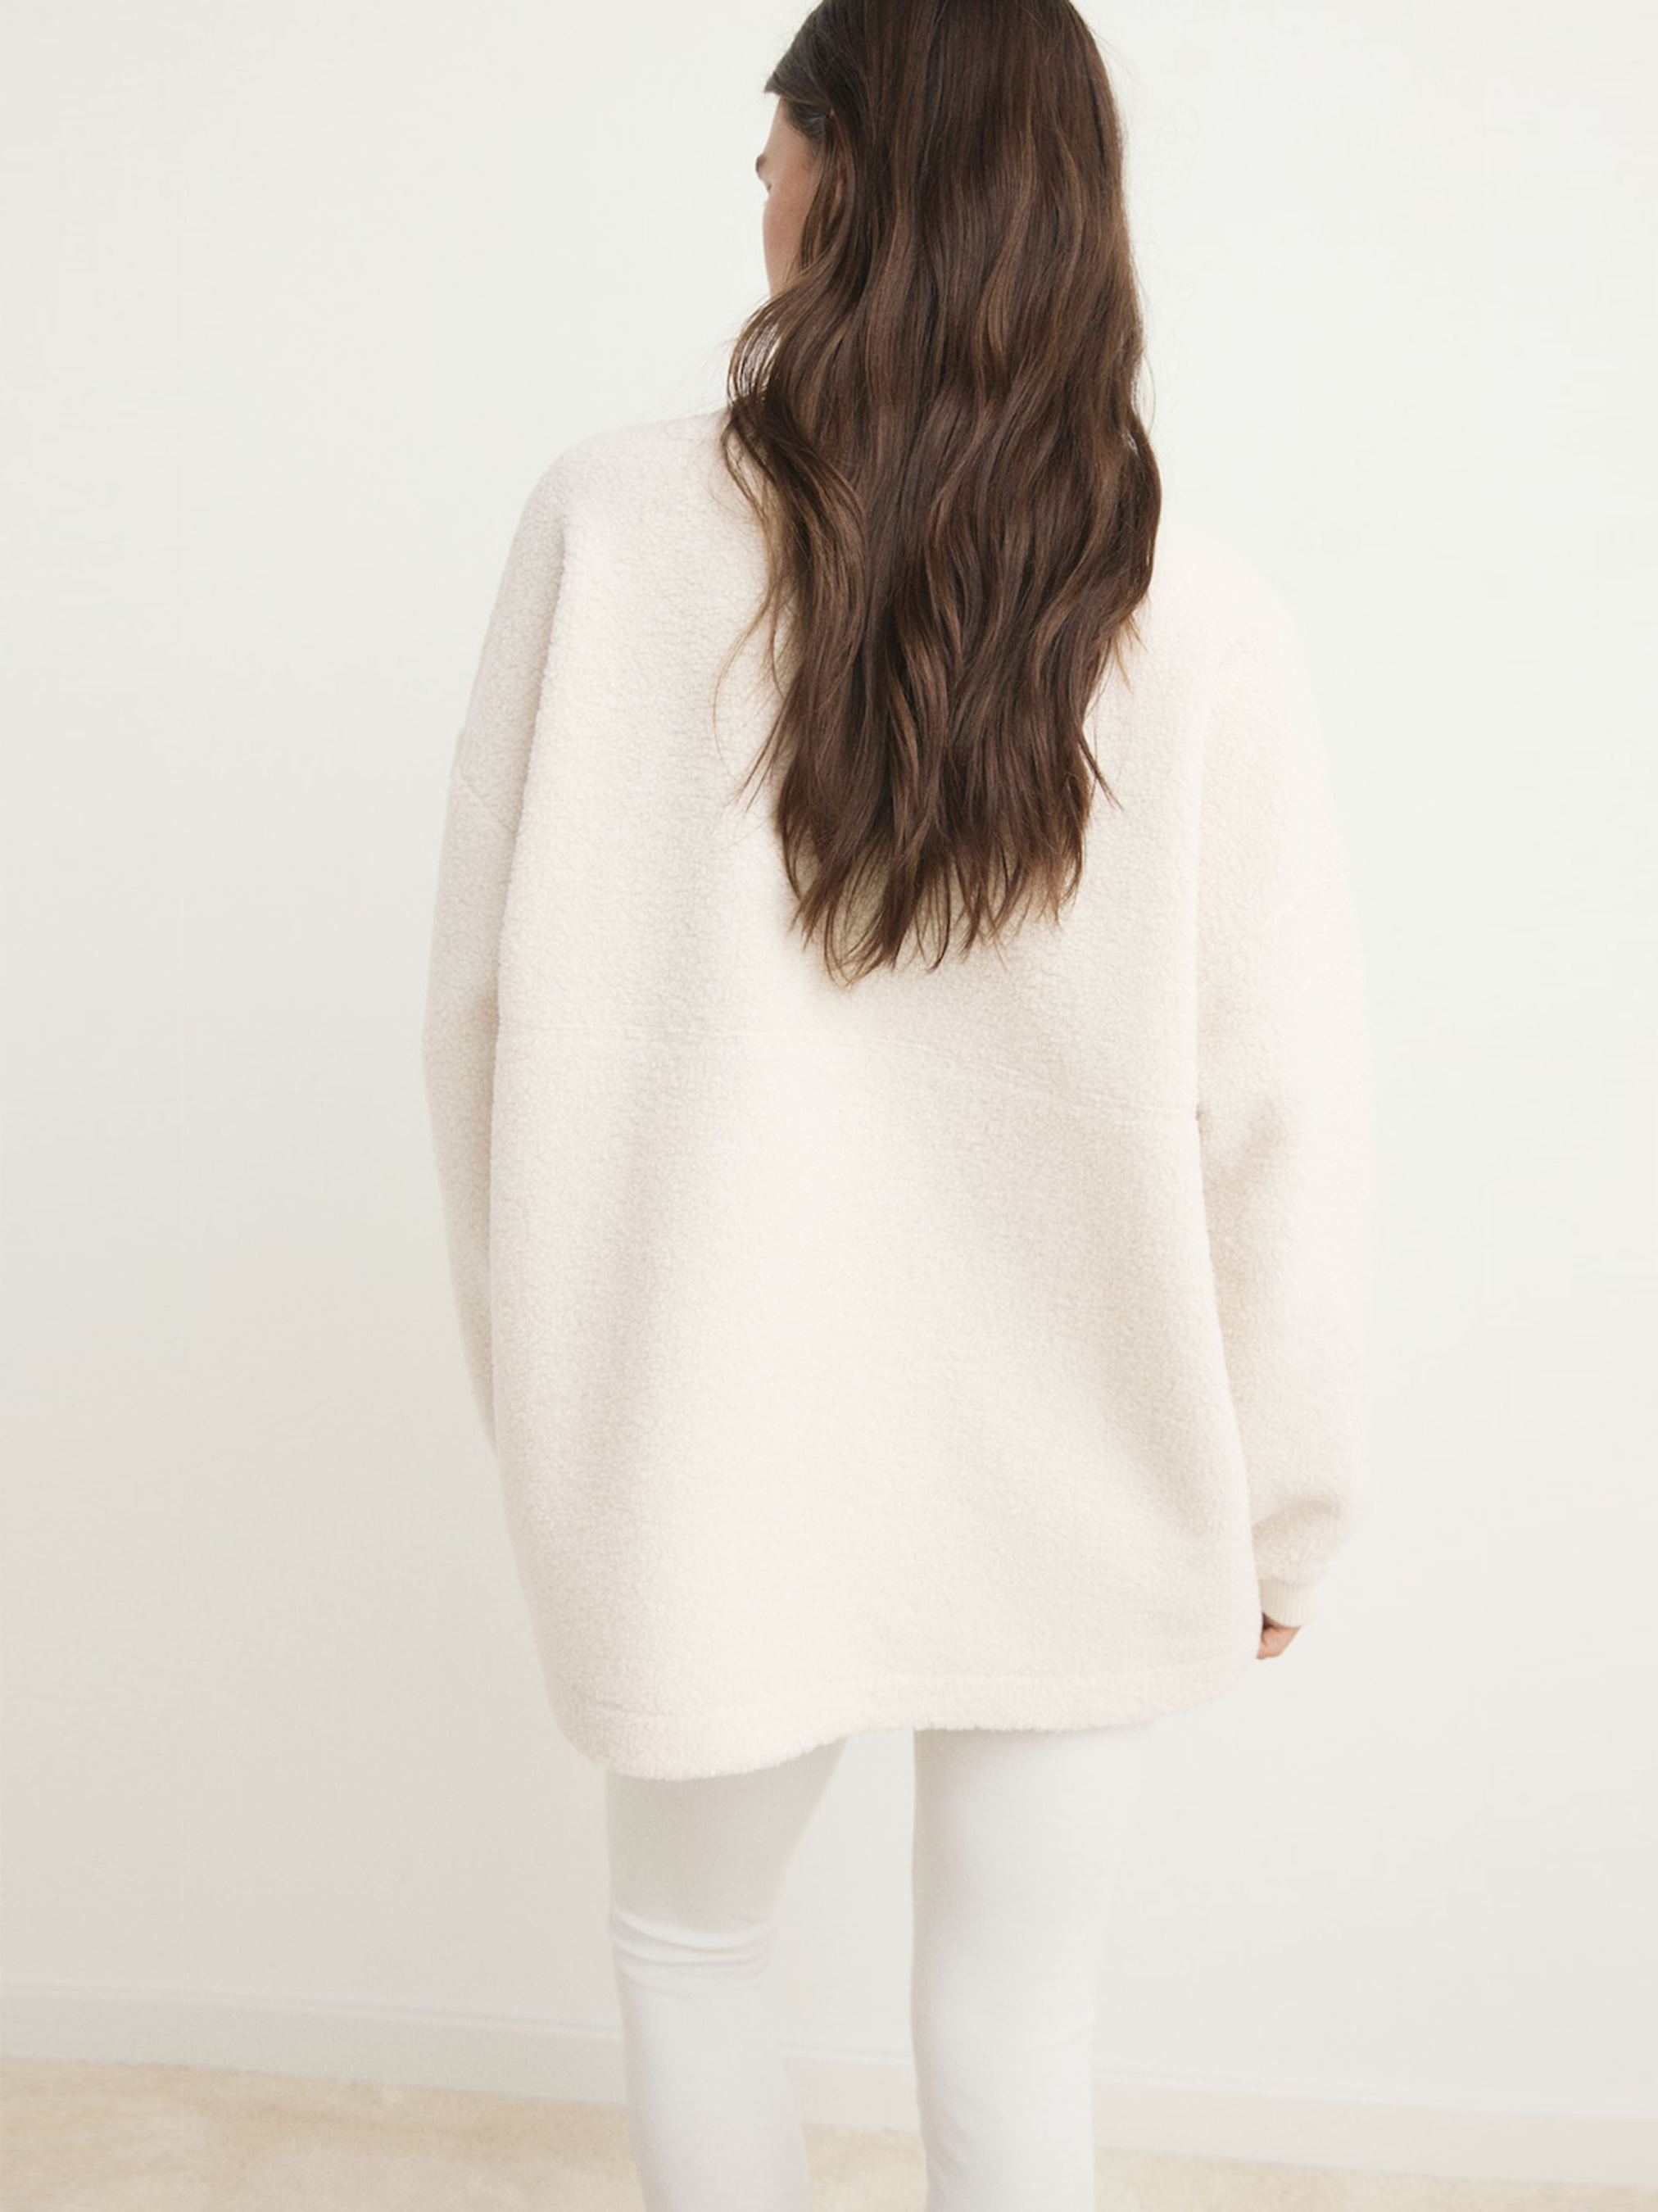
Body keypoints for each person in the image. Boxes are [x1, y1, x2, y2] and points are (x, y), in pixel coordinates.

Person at [420, 0, 1375, 2203]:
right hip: (1085, 1436)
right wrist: (1286, 1504)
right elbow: (1281, 1113)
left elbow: (478, 1024)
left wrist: (550, 1391)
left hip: (696, 1413)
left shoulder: (606, 531)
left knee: (688, 1947)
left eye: (772, 144)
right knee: (1021, 2014)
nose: (756, 189)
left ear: (846, 167)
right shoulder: (1200, 623)